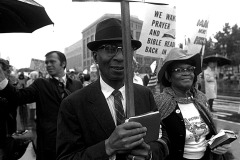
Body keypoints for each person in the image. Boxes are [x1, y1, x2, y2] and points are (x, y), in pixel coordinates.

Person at [56, 18, 169, 160]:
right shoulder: (73, 104)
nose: (120, 57)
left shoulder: (144, 94)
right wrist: (108, 146)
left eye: (126, 49)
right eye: (110, 49)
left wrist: (150, 153)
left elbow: (161, 138)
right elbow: (66, 157)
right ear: (96, 57)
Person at [0, 51, 83, 160]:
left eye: (52, 61)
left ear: (63, 64)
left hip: (73, 144)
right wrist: (2, 80)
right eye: (46, 62)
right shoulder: (41, 84)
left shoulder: (77, 84)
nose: (48, 65)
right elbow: (18, 97)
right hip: (49, 146)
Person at [154, 48, 230, 160]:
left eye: (190, 69)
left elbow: (208, 136)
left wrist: (219, 145)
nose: (186, 73)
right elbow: (155, 141)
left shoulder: (200, 98)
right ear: (169, 76)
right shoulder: (160, 102)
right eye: (179, 70)